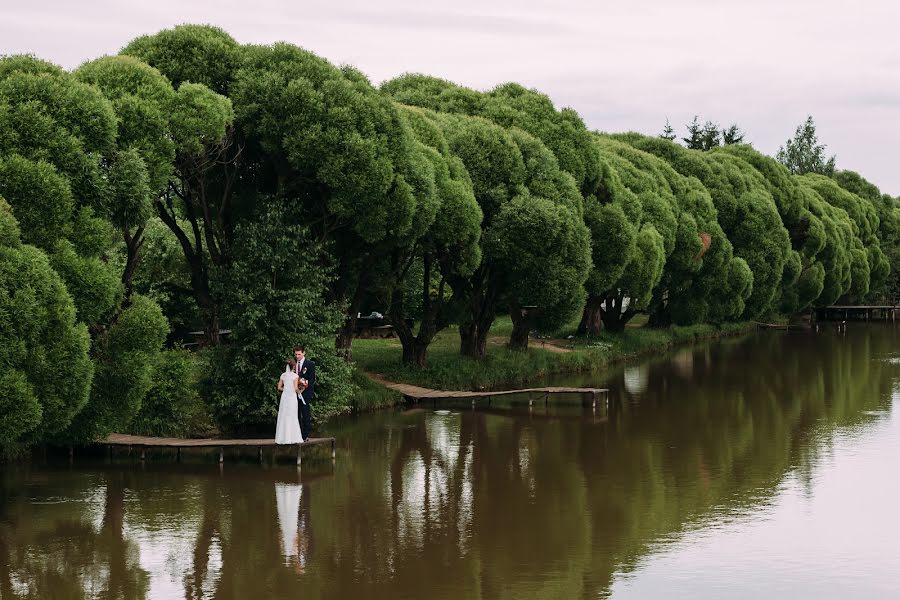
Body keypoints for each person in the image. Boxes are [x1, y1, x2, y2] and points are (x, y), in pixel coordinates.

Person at [276, 357, 304, 444]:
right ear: (293, 366)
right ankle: (292, 437)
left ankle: (282, 438)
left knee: (283, 415)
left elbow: (279, 387)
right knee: (292, 415)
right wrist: (302, 389)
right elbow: (295, 388)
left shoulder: (283, 375)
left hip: (285, 397)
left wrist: (286, 389)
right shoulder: (295, 376)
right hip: (291, 397)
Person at [293, 346, 316, 439]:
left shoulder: (310, 364)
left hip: (306, 393)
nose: (297, 356)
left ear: (303, 353)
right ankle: (298, 434)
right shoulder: (294, 365)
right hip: (295, 393)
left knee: (305, 413)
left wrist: (303, 387)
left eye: (299, 354)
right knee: (296, 414)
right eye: (296, 354)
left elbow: (312, 379)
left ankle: (306, 435)